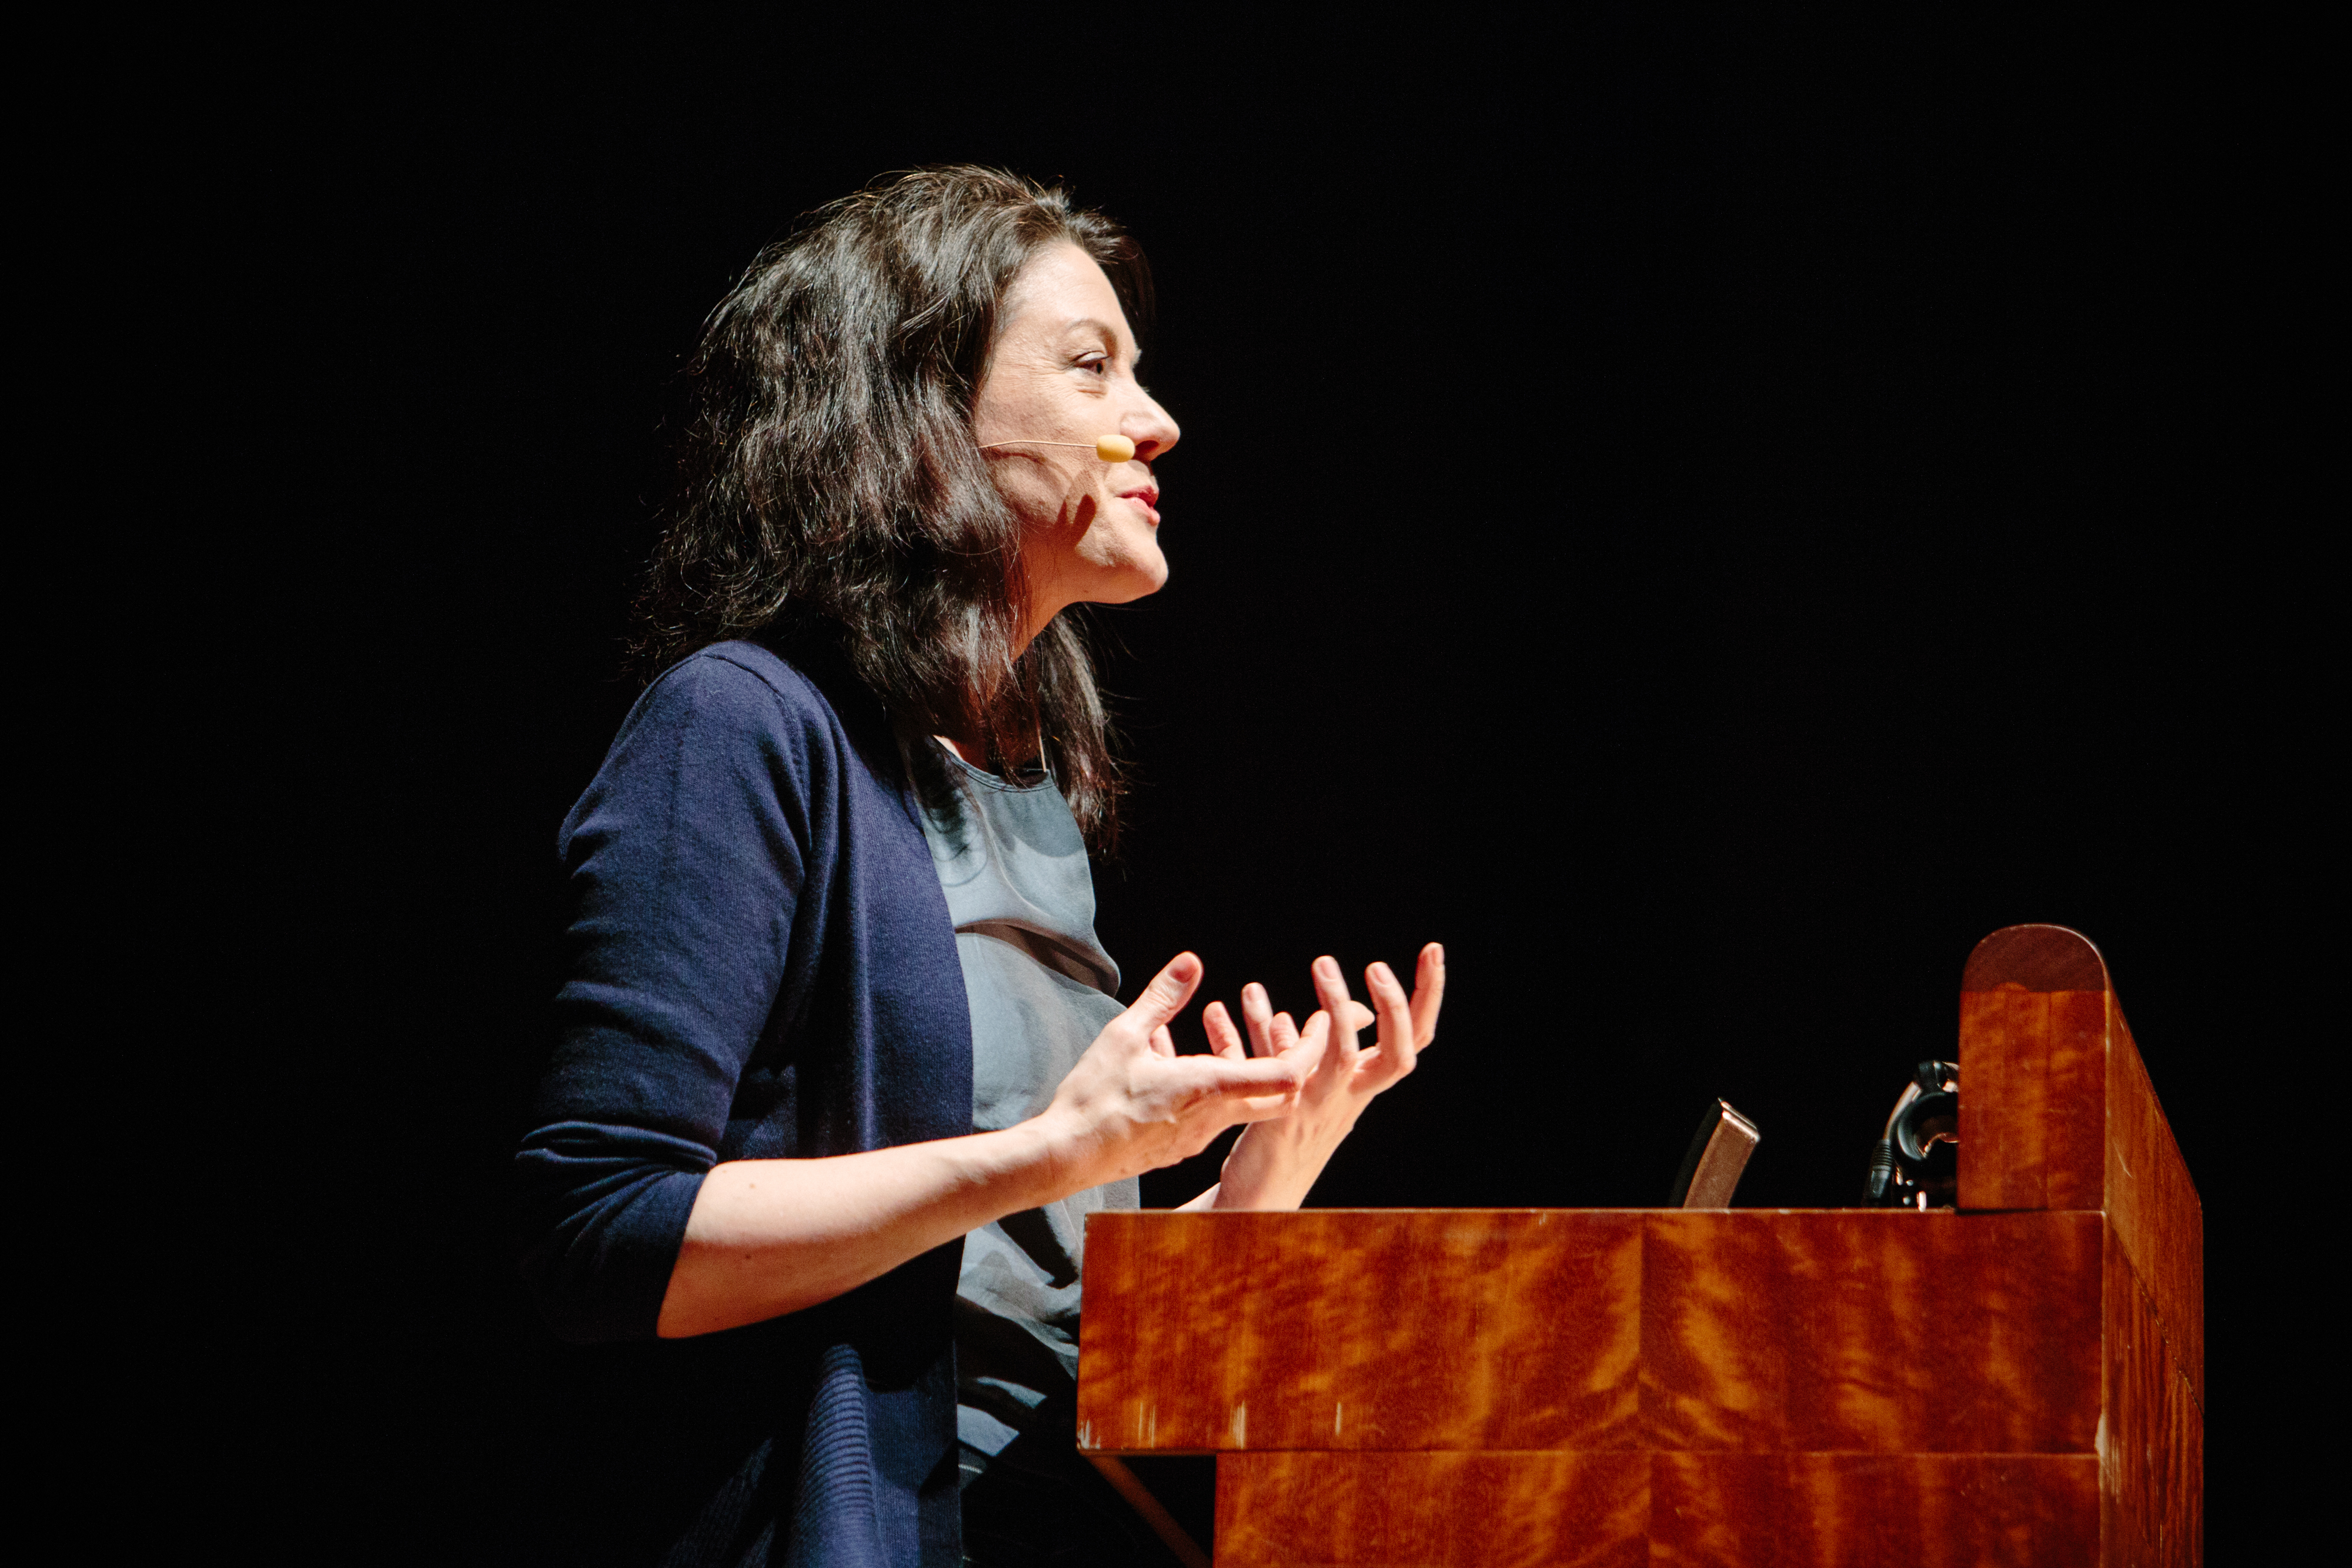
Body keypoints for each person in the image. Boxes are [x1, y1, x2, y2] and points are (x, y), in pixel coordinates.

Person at [516, 166, 1442, 1567]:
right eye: (1091, 368)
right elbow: (598, 1230)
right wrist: (1048, 1152)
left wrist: (1250, 1186)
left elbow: (1027, 1305)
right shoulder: (743, 727)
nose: (1158, 421)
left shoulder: (1028, 800)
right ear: (924, 410)